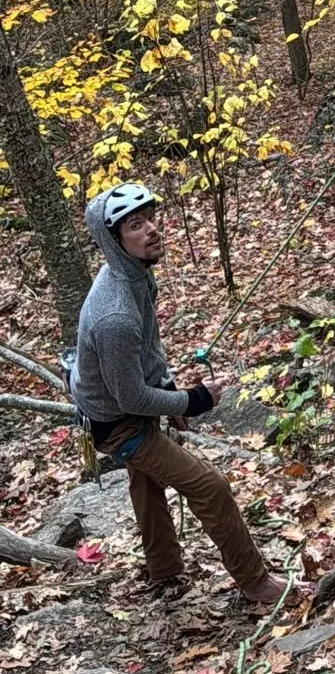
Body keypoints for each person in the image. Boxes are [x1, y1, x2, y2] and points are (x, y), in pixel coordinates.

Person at [70, 181, 287, 607]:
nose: (152, 229)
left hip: (121, 405)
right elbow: (131, 398)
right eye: (136, 224)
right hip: (115, 423)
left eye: (150, 218)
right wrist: (193, 400)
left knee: (147, 485)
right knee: (210, 486)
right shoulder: (114, 314)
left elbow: (148, 347)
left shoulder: (133, 275)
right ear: (115, 241)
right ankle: (256, 583)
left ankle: (164, 570)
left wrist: (168, 388)